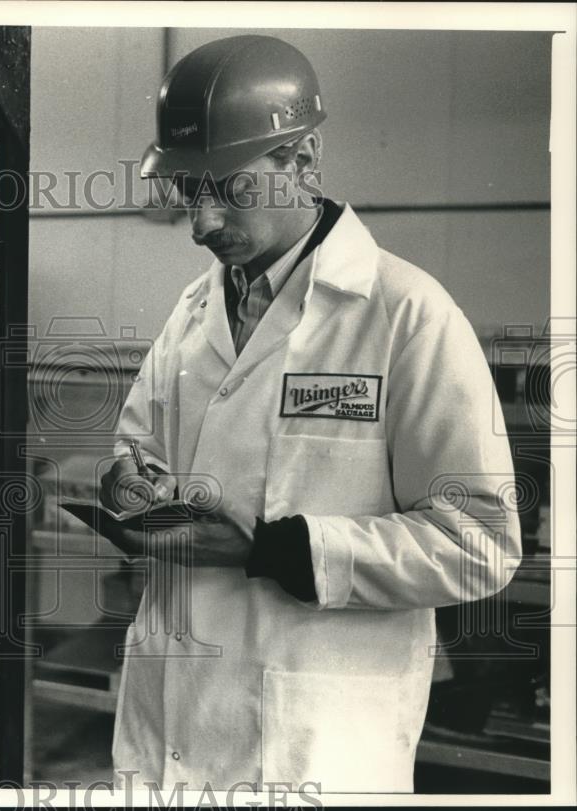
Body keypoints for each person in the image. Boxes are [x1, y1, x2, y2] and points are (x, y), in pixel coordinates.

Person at [99, 34, 521, 794]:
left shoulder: (406, 316)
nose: (200, 223)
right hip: (169, 728)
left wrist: (279, 550)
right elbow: (135, 443)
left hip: (313, 748)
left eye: (226, 187)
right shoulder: (194, 309)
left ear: (304, 157)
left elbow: (481, 542)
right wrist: (124, 483)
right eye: (188, 192)